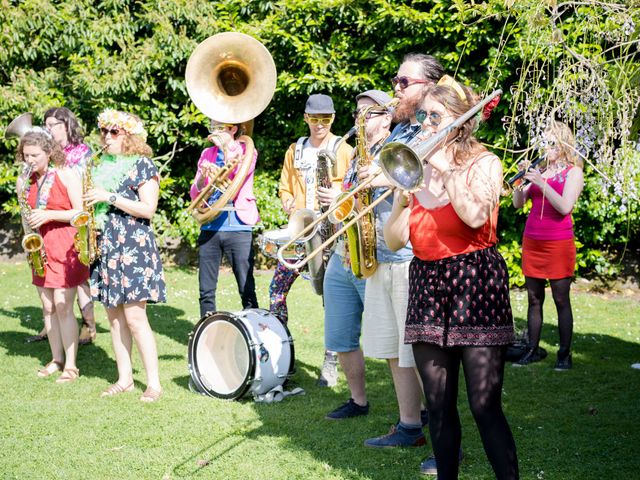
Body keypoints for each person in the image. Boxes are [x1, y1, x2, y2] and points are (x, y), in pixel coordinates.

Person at [384, 80, 519, 479]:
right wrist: (400, 202)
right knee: (439, 404)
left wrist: (444, 167)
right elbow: (395, 240)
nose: (424, 124)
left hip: (474, 280)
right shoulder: (415, 170)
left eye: (434, 117)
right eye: (421, 116)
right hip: (427, 281)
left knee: (483, 403)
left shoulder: (485, 164)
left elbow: (475, 216)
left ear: (459, 122)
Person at [356, 56, 443, 447]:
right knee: (394, 349)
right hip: (383, 253)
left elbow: (421, 177)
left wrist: (381, 175)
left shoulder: (435, 127)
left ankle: (443, 435)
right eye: (395, 80)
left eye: (403, 81)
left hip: (413, 254)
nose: (396, 87)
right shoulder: (400, 130)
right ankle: (409, 425)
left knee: (418, 352)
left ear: (429, 84)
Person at [320, 90, 395, 419]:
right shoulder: (354, 156)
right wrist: (335, 200)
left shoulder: (395, 152)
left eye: (370, 114)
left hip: (376, 256)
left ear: (387, 118)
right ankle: (358, 401)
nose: (361, 120)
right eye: (357, 114)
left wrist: (341, 196)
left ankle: (417, 410)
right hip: (343, 254)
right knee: (340, 335)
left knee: (393, 343)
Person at [85, 109, 166, 402]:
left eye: (114, 132)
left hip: (133, 247)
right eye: (104, 131)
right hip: (106, 246)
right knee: (114, 317)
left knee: (134, 317)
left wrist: (109, 197)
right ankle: (125, 379)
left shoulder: (143, 165)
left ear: (128, 135)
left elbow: (148, 209)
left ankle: (154, 383)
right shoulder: (100, 166)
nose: (107, 137)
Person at [271, 93, 352, 386]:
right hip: (300, 233)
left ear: (332, 119)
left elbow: (353, 188)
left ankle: (330, 363)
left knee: (331, 301)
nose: (320, 125)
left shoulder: (344, 149)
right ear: (306, 118)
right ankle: (283, 354)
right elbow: (285, 188)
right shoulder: (295, 149)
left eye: (326, 119)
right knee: (276, 294)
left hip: (331, 234)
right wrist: (290, 204)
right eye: (315, 119)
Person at [16, 129, 87, 383]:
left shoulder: (67, 174)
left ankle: (71, 365)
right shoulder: (26, 180)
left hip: (65, 246)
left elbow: (80, 213)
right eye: (25, 156)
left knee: (62, 305)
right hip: (40, 247)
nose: (29, 160)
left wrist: (49, 215)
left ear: (49, 152)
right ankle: (56, 359)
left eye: (35, 155)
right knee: (47, 306)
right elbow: (27, 215)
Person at [512, 120, 584, 370]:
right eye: (544, 142)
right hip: (533, 240)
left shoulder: (573, 172)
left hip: (558, 243)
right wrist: (520, 184)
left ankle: (564, 354)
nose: (546, 147)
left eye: (551, 142)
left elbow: (565, 207)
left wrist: (542, 183)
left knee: (561, 299)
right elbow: (518, 204)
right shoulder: (539, 169)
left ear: (563, 144)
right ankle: (531, 349)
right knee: (534, 298)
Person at [189, 120, 259, 319]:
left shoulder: (247, 151)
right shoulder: (206, 154)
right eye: (213, 127)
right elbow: (195, 192)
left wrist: (226, 149)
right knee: (206, 290)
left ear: (233, 129)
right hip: (210, 226)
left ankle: (253, 328)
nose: (215, 132)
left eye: (220, 127)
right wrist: (202, 178)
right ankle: (206, 331)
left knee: (246, 286)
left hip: (238, 225)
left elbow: (238, 177)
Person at [43, 106, 97, 345]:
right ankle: (57, 323)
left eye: (53, 124)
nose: (49, 129)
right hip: (55, 218)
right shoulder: (49, 153)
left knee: (80, 276)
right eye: (46, 125)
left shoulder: (83, 152)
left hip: (78, 218)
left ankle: (89, 325)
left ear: (66, 125)